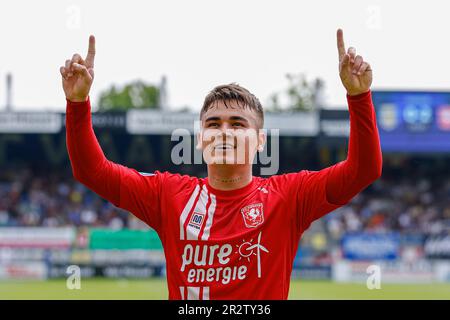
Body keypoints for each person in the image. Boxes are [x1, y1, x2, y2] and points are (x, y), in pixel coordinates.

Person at [60, 29, 382, 300]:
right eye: (213, 124)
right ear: (200, 139)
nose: (224, 132)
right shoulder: (167, 195)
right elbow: (92, 170)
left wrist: (359, 97)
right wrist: (77, 103)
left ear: (260, 141)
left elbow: (363, 170)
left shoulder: (290, 195)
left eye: (238, 124)